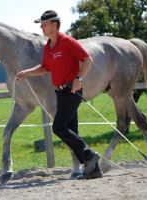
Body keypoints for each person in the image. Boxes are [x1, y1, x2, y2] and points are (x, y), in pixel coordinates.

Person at [16, 10, 103, 180]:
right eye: (41, 24)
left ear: (54, 25)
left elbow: (88, 60)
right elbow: (44, 68)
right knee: (72, 132)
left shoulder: (68, 41)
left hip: (72, 90)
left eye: (44, 24)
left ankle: (89, 155)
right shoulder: (48, 46)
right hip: (61, 93)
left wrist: (79, 78)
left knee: (58, 128)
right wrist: (26, 73)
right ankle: (94, 170)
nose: (41, 26)